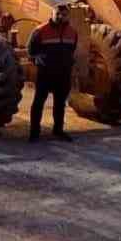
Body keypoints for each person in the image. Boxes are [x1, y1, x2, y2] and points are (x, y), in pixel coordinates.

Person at [26, 9, 79, 142]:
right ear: (52, 14)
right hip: (46, 73)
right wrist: (39, 61)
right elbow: (31, 50)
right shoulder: (41, 30)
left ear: (68, 16)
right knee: (39, 102)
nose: (61, 17)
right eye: (58, 14)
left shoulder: (72, 32)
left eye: (64, 14)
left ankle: (58, 130)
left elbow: (72, 50)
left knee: (60, 103)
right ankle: (34, 133)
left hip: (63, 74)